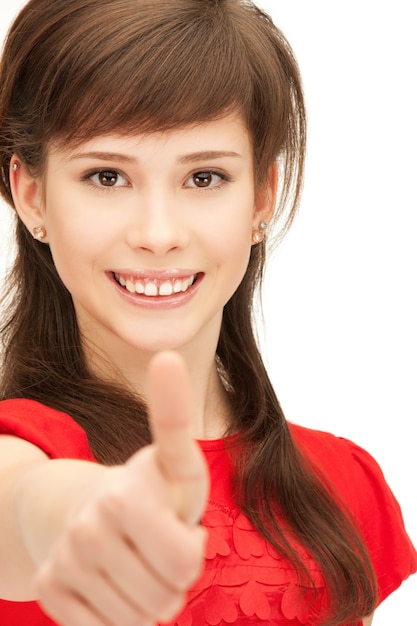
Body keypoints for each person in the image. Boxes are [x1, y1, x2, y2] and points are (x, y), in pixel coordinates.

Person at [0, 0, 415, 624]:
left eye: (204, 178)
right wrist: (75, 513)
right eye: (107, 176)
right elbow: (22, 508)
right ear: (32, 195)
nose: (159, 233)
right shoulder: (23, 453)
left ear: (261, 196)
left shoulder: (341, 483)